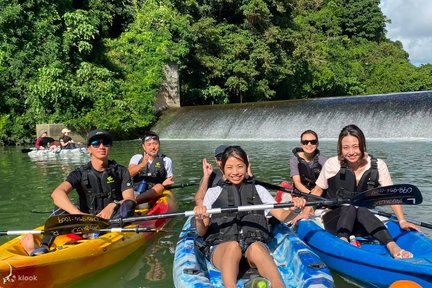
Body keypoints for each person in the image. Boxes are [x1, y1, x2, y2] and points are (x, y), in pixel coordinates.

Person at [292, 124, 420, 259]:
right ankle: (343, 242)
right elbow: (317, 190)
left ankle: (392, 246)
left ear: (362, 144)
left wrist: (402, 221)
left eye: (355, 146)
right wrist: (306, 211)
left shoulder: (378, 165)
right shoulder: (332, 164)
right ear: (340, 148)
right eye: (345, 148)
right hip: (334, 219)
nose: (351, 152)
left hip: (364, 221)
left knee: (362, 210)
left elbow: (391, 196)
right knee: (350, 208)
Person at [193, 146, 306, 288]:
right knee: (233, 246)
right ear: (222, 169)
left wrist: (295, 210)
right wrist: (199, 217)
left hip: (252, 246)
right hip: (222, 248)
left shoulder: (259, 190)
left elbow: (283, 216)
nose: (235, 172)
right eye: (230, 167)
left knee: (258, 247)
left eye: (240, 166)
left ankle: (278, 285)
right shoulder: (213, 192)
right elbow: (202, 231)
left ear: (247, 167)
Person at [21, 129, 137, 256]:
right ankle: (44, 246)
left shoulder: (121, 171)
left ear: (110, 147)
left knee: (129, 205)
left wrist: (112, 205)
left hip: (111, 219)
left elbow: (129, 198)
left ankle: (96, 233)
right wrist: (79, 215)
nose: (101, 147)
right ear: (89, 149)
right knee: (60, 205)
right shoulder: (80, 172)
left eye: (106, 143)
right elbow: (57, 193)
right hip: (84, 222)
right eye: (96, 143)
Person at [128, 131, 174, 203]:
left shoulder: (166, 160)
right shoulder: (137, 158)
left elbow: (169, 180)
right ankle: (132, 200)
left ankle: (134, 201)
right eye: (149, 144)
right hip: (135, 191)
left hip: (154, 194)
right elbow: (129, 173)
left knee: (159, 186)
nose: (153, 147)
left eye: (155, 144)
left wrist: (165, 184)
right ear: (144, 146)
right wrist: (142, 164)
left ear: (159, 144)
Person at [290, 130, 327, 194]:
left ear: (317, 144)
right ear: (301, 144)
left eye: (313, 142)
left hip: (318, 191)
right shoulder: (294, 160)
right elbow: (297, 182)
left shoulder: (324, 160)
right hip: (302, 192)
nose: (309, 144)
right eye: (305, 142)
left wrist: (316, 193)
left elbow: (325, 182)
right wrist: (310, 194)